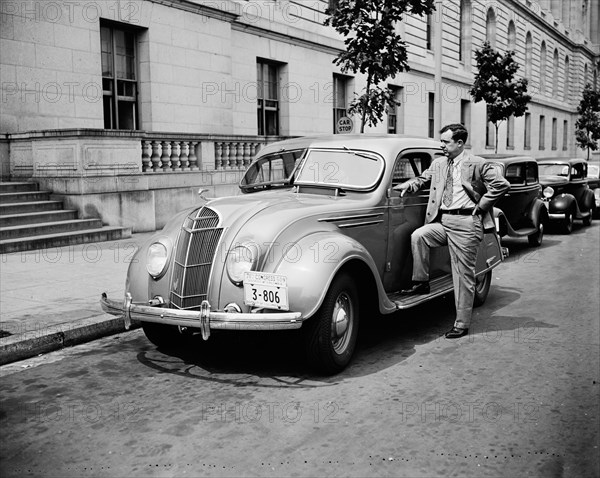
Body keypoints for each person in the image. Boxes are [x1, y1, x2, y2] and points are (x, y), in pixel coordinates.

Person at [394, 124, 509, 339]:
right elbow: (423, 179)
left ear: (459, 143)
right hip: (444, 220)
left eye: (446, 142)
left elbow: (501, 185)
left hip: (466, 222)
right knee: (420, 236)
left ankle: (462, 323)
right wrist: (409, 185)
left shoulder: (477, 164)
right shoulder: (438, 163)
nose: (442, 145)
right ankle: (421, 283)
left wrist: (482, 205)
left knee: (463, 275)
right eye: (442, 142)